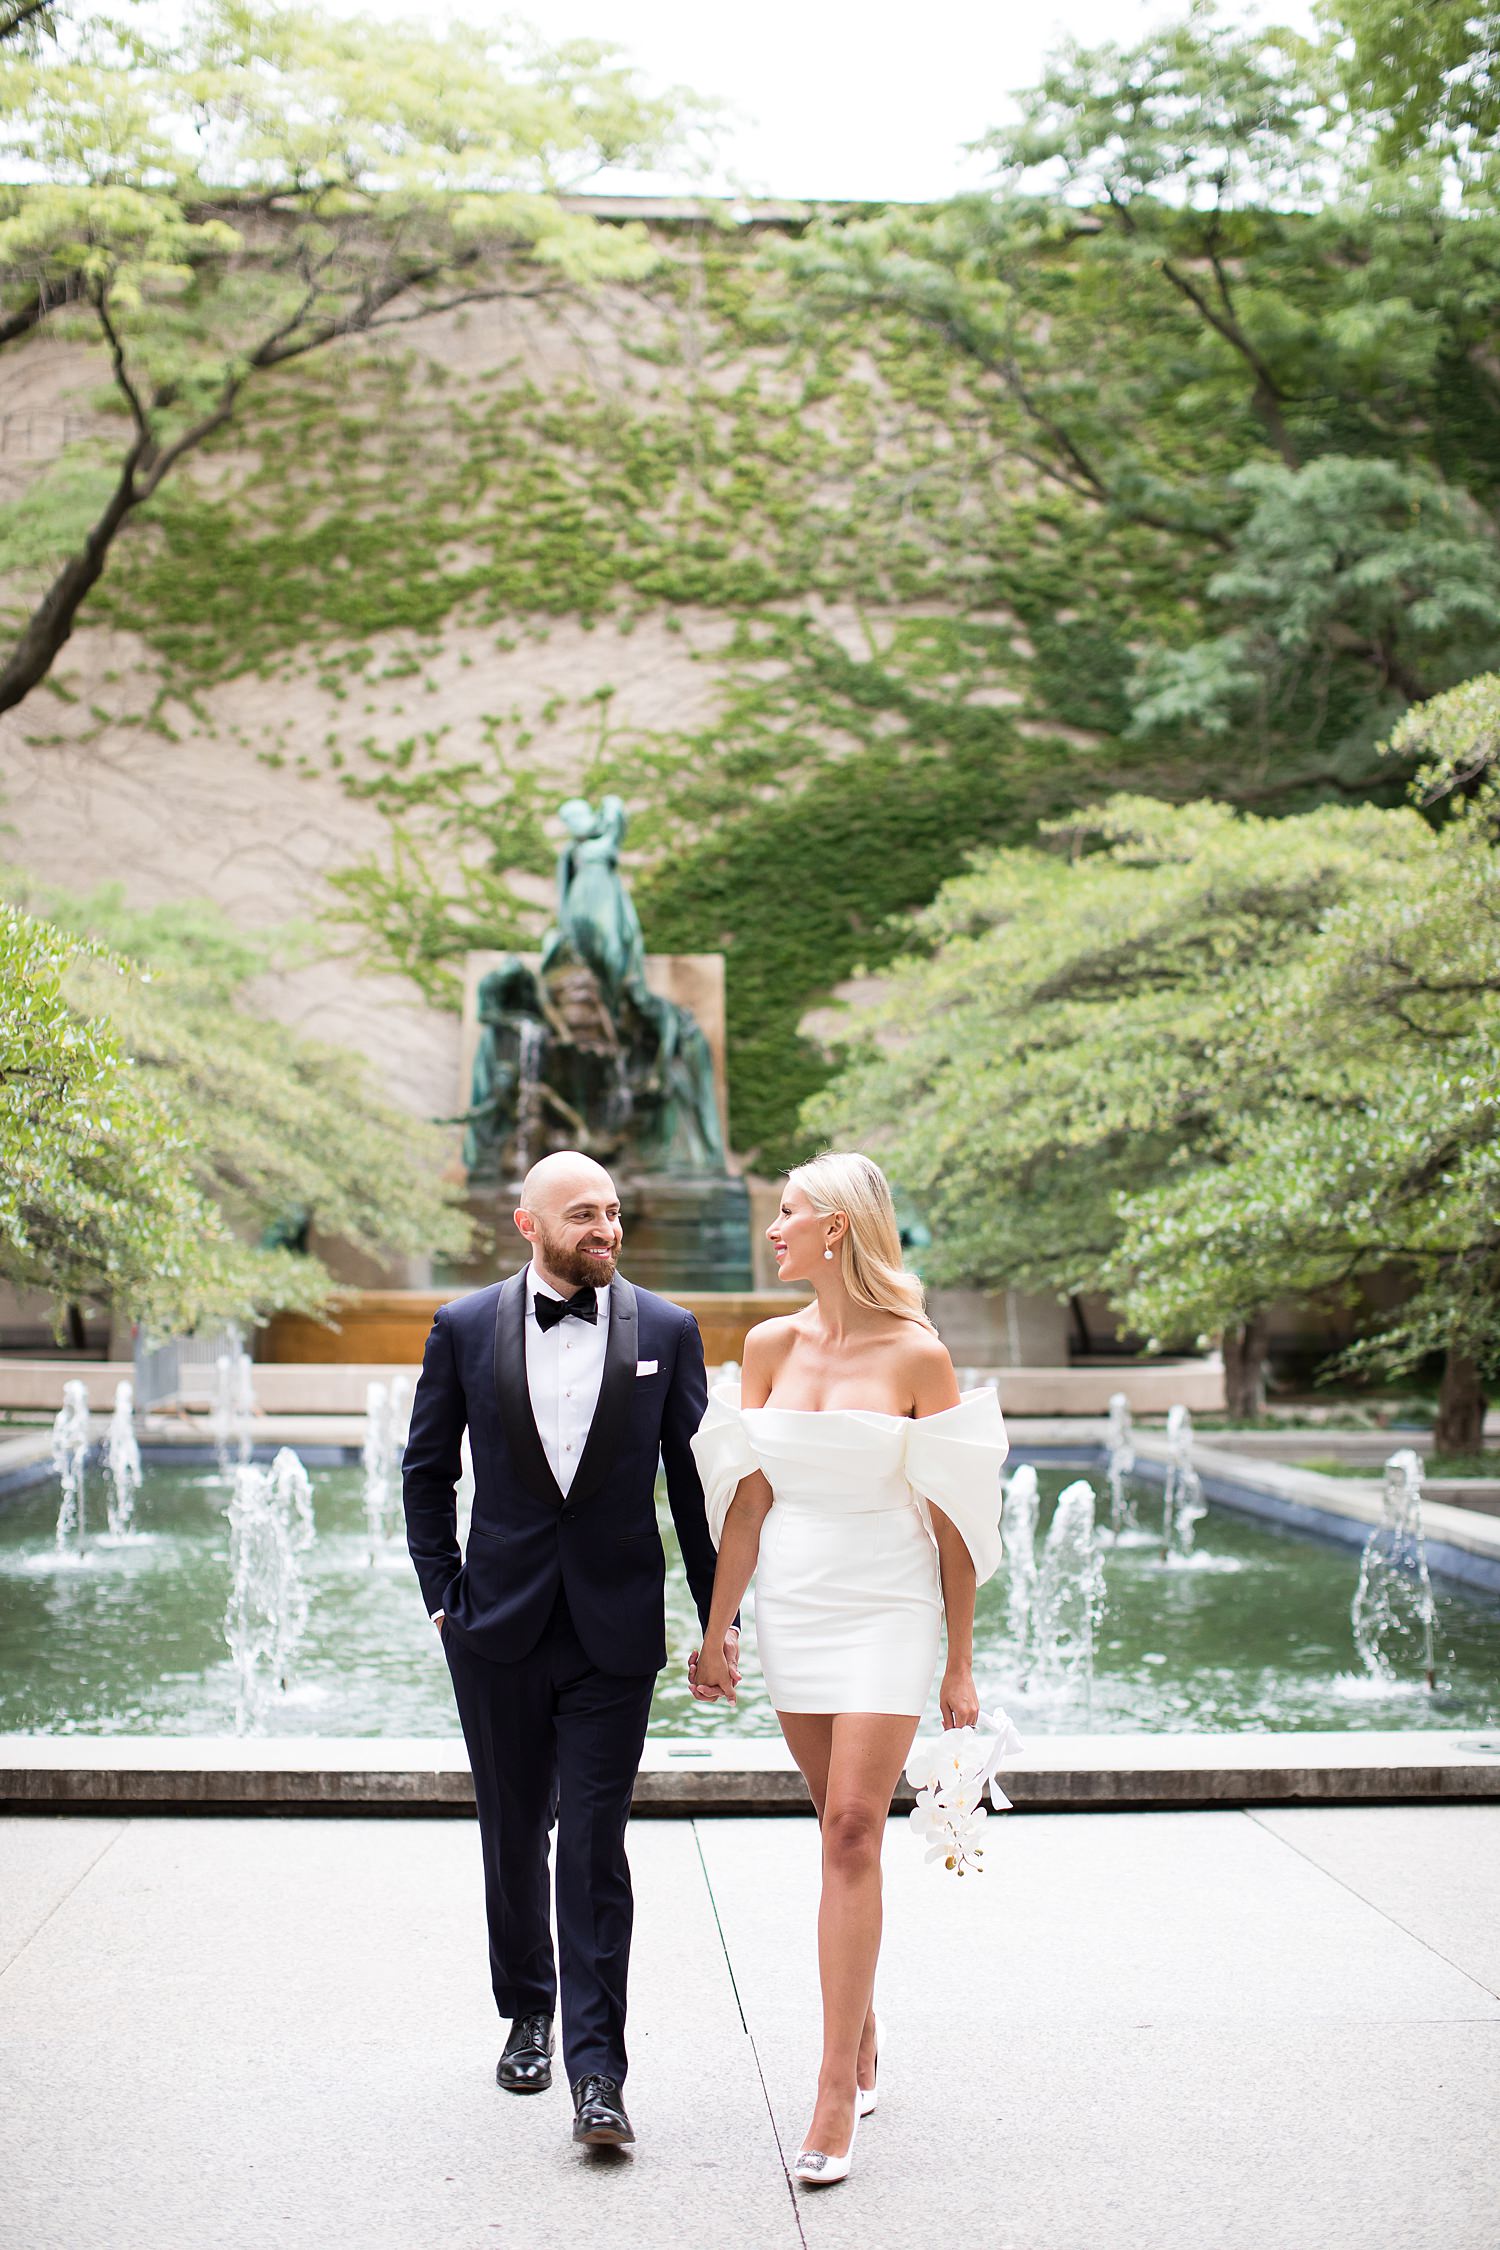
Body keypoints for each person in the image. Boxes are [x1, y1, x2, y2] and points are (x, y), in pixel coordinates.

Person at [401, 1150, 735, 2151]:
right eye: (585, 1215)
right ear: (528, 1225)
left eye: (615, 1213)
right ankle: (527, 2011)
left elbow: (695, 1487)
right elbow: (425, 1469)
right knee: (513, 1831)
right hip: (493, 1623)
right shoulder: (461, 1327)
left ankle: (599, 2076)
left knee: (594, 1847)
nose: (608, 1230)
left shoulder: (668, 1332)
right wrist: (439, 1601)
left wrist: (715, 1624)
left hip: (613, 1630)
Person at [688, 1152, 1008, 2187]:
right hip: (794, 1601)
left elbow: (956, 1521)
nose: (771, 1230)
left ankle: (833, 2085)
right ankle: (859, 2024)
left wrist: (961, 1664)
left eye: (788, 1215)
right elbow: (747, 1502)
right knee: (833, 1823)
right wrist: (716, 1629)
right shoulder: (767, 1345)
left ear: (837, 1229)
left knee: (854, 1827)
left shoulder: (920, 1356)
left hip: (891, 1600)